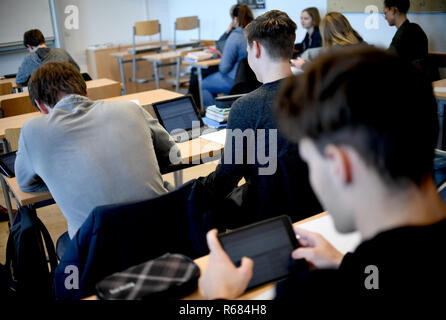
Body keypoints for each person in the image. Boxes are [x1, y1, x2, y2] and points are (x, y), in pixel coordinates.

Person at [199, 45, 446, 302]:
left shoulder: (309, 293)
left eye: (309, 162)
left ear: (340, 165)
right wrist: (345, 264)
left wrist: (219, 299)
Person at [15, 62, 179, 238]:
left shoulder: (32, 130)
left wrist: (60, 178)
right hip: (164, 232)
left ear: (40, 106)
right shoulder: (130, 108)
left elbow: (25, 183)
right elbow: (173, 155)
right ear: (86, 92)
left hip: (98, 250)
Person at [199, 10, 322, 229]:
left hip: (269, 218)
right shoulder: (321, 95)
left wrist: (195, 190)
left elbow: (227, 177)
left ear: (255, 49)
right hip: (318, 209)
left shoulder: (246, 107)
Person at [200, 5, 254, 108]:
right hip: (254, 81)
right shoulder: (256, 34)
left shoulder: (235, 37)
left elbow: (224, 68)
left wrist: (223, 56)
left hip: (235, 81)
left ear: (235, 19)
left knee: (204, 84)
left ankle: (217, 116)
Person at [291, 12, 363, 70]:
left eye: (306, 18)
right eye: (301, 18)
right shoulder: (360, 43)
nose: (302, 21)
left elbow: (325, 74)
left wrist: (304, 65)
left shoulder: (338, 52)